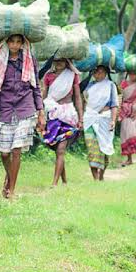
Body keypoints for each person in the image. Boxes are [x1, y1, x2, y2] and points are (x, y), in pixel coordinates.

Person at [0, 34, 45, 198]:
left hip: (25, 108)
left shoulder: (28, 60)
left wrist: (41, 111)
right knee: (4, 153)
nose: (14, 45)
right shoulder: (1, 59)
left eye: (18, 42)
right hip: (6, 109)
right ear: (7, 42)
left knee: (16, 150)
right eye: (11, 41)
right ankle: (9, 177)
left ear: (22, 44)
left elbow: (36, 87)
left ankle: (11, 190)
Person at [41, 57, 83, 186]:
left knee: (61, 149)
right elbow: (43, 96)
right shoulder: (48, 76)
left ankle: (54, 183)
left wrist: (81, 118)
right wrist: (40, 115)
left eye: (62, 60)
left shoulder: (72, 76)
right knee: (57, 148)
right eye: (56, 60)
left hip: (68, 114)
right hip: (53, 114)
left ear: (67, 62)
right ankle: (64, 181)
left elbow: (77, 97)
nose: (59, 63)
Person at [80, 65, 119, 181]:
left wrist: (113, 120)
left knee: (104, 149)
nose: (98, 75)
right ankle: (95, 178)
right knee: (91, 147)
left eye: (101, 72)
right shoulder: (88, 86)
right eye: (96, 72)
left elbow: (114, 104)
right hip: (90, 119)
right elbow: (83, 101)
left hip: (105, 119)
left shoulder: (111, 86)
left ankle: (101, 175)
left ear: (106, 73)